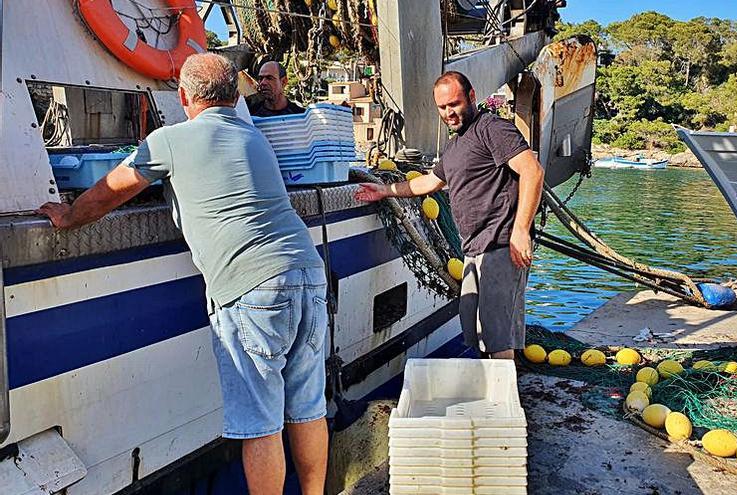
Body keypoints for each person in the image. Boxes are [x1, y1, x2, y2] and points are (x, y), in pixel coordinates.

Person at [37, 53, 328, 495]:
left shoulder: (171, 140)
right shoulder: (254, 138)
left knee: (262, 423)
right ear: (234, 96)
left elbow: (112, 190)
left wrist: (69, 217)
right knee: (307, 409)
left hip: (252, 289)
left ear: (185, 97)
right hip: (307, 272)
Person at [354, 71, 544, 360]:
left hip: (502, 246)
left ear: (471, 97)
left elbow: (532, 170)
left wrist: (521, 230)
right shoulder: (454, 147)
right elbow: (429, 182)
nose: (449, 113)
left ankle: (504, 401)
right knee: (475, 330)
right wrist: (385, 190)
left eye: (454, 104)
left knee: (497, 335)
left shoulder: (492, 128)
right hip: (474, 249)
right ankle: (490, 395)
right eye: (442, 107)